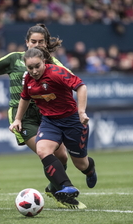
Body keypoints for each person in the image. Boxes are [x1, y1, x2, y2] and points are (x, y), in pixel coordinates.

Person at [0, 24, 85, 209]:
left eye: (41, 42)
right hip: (23, 118)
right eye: (33, 41)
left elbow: (74, 83)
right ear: (27, 42)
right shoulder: (15, 59)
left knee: (62, 157)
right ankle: (64, 191)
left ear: (46, 44)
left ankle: (53, 187)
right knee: (46, 152)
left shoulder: (54, 65)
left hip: (47, 116)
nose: (37, 44)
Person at [9, 47, 97, 204]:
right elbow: (25, 97)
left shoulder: (57, 72)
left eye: (37, 66)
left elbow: (81, 86)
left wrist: (81, 112)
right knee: (42, 150)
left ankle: (90, 170)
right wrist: (17, 119)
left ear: (44, 62)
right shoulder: (28, 79)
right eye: (30, 68)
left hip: (72, 121)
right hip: (50, 122)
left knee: (81, 164)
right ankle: (65, 187)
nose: (34, 71)